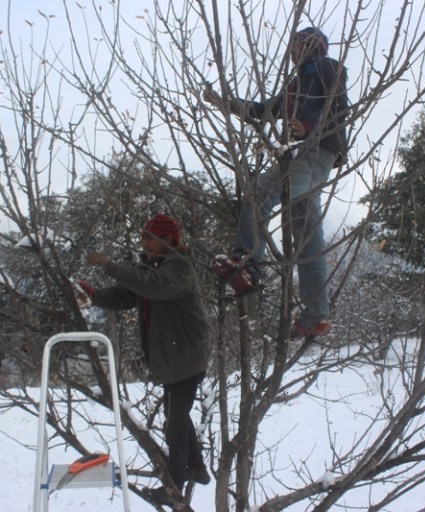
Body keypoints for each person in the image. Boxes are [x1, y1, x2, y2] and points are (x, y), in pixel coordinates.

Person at [207, 26, 349, 338]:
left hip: (317, 150)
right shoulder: (297, 83)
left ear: (309, 45)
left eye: (295, 44)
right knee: (305, 230)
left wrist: (308, 127)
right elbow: (264, 112)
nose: (290, 50)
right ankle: (316, 316)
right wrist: (227, 103)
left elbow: (339, 110)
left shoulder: (326, 68)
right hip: (298, 154)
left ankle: (248, 264)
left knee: (262, 195)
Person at [81, 212, 211, 505]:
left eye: (148, 236)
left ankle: (174, 488)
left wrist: (110, 265)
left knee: (174, 423)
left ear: (167, 240)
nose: (143, 241)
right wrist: (95, 295)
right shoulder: (153, 268)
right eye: (143, 236)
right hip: (173, 358)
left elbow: (152, 286)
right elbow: (129, 295)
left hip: (187, 357)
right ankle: (198, 469)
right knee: (177, 415)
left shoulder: (178, 267)